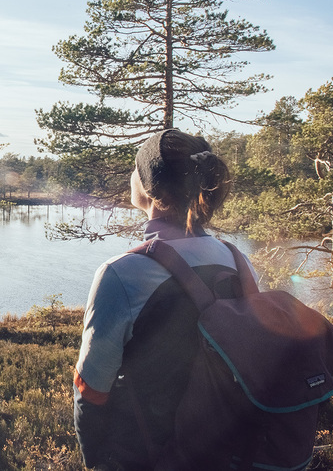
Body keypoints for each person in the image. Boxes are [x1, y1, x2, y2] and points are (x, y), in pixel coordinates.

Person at [73, 128, 252, 470]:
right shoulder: (238, 261)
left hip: (147, 457)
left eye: (134, 170)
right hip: (228, 452)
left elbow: (92, 390)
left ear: (149, 191)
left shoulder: (121, 275)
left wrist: (95, 461)